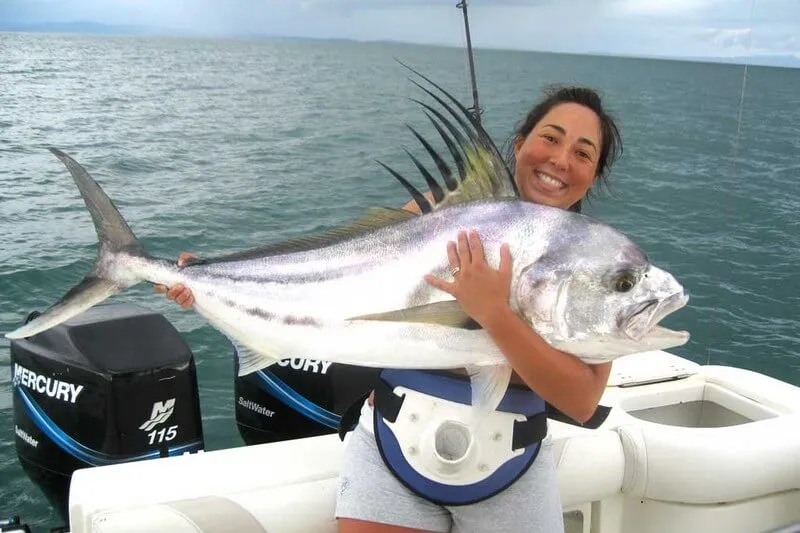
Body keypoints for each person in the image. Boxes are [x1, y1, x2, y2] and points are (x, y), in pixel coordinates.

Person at [155, 84, 623, 533]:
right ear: (520, 143)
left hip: (510, 464)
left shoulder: (595, 269)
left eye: (583, 153)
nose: (561, 160)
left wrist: (495, 313)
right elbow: (341, 267)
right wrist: (211, 278)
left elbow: (581, 401)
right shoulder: (441, 210)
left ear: (595, 173)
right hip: (392, 442)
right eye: (550, 138)